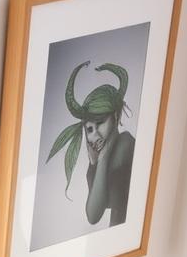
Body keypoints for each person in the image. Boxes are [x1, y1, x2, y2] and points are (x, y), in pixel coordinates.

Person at [46, 61, 135, 227]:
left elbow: (93, 215)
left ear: (115, 117)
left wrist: (101, 161)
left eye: (100, 123)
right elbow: (93, 215)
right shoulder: (100, 159)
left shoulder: (126, 144)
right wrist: (94, 163)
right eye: (89, 129)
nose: (95, 135)